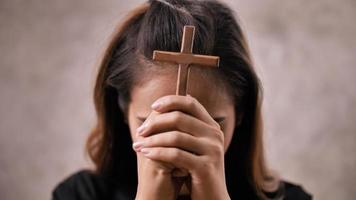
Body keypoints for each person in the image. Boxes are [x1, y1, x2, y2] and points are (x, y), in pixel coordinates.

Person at [52, 0, 312, 199]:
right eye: (153, 124)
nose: (178, 148)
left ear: (241, 112)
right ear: (123, 109)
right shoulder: (79, 194)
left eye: (210, 125)